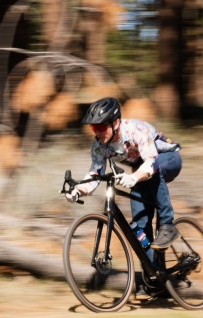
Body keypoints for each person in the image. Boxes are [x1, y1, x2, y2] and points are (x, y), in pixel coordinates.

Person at [65, 97, 182, 250]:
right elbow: (95, 172)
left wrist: (134, 177)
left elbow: (151, 161)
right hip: (142, 170)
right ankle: (153, 269)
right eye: (94, 128)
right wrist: (78, 191)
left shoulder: (136, 130)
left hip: (167, 158)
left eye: (101, 127)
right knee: (139, 228)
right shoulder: (99, 146)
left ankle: (167, 225)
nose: (98, 133)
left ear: (116, 123)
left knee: (152, 174)